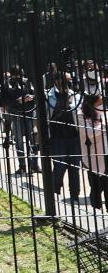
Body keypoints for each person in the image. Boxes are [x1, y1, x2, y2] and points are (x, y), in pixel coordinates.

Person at [47, 72, 81, 202]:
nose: (68, 82)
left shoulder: (75, 95)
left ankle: (74, 195)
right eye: (66, 80)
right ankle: (55, 190)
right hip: (57, 136)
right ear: (57, 81)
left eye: (69, 80)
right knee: (59, 165)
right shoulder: (49, 96)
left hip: (74, 136)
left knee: (74, 167)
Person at [0, 66, 39, 175]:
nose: (18, 78)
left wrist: (31, 97)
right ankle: (22, 165)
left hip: (29, 113)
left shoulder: (26, 82)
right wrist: (17, 101)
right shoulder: (7, 84)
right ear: (11, 75)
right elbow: (4, 101)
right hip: (16, 114)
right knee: (19, 142)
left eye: (20, 75)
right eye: (16, 75)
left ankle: (34, 165)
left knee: (33, 140)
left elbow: (34, 94)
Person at [77, 93, 108, 209]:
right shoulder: (81, 114)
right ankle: (96, 207)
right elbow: (89, 133)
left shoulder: (103, 109)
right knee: (96, 183)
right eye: (100, 100)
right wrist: (104, 126)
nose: (102, 101)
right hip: (93, 153)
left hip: (106, 151)